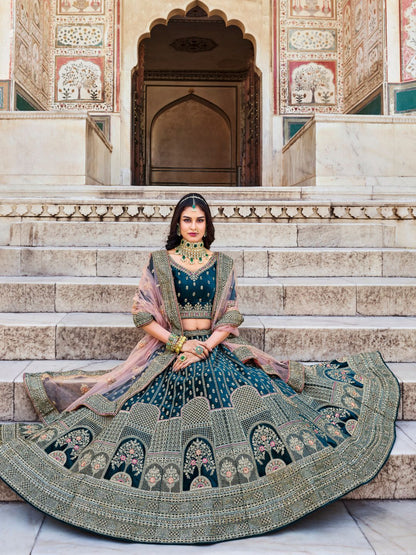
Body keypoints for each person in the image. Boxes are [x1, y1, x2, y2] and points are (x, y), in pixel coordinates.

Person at [0, 193, 399, 544]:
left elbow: (230, 316)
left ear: (208, 225)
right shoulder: (160, 262)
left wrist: (204, 347)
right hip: (170, 350)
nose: (193, 226)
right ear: (178, 224)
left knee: (265, 405)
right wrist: (178, 344)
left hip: (213, 350)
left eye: (200, 220)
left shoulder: (222, 263)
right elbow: (141, 314)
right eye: (186, 220)